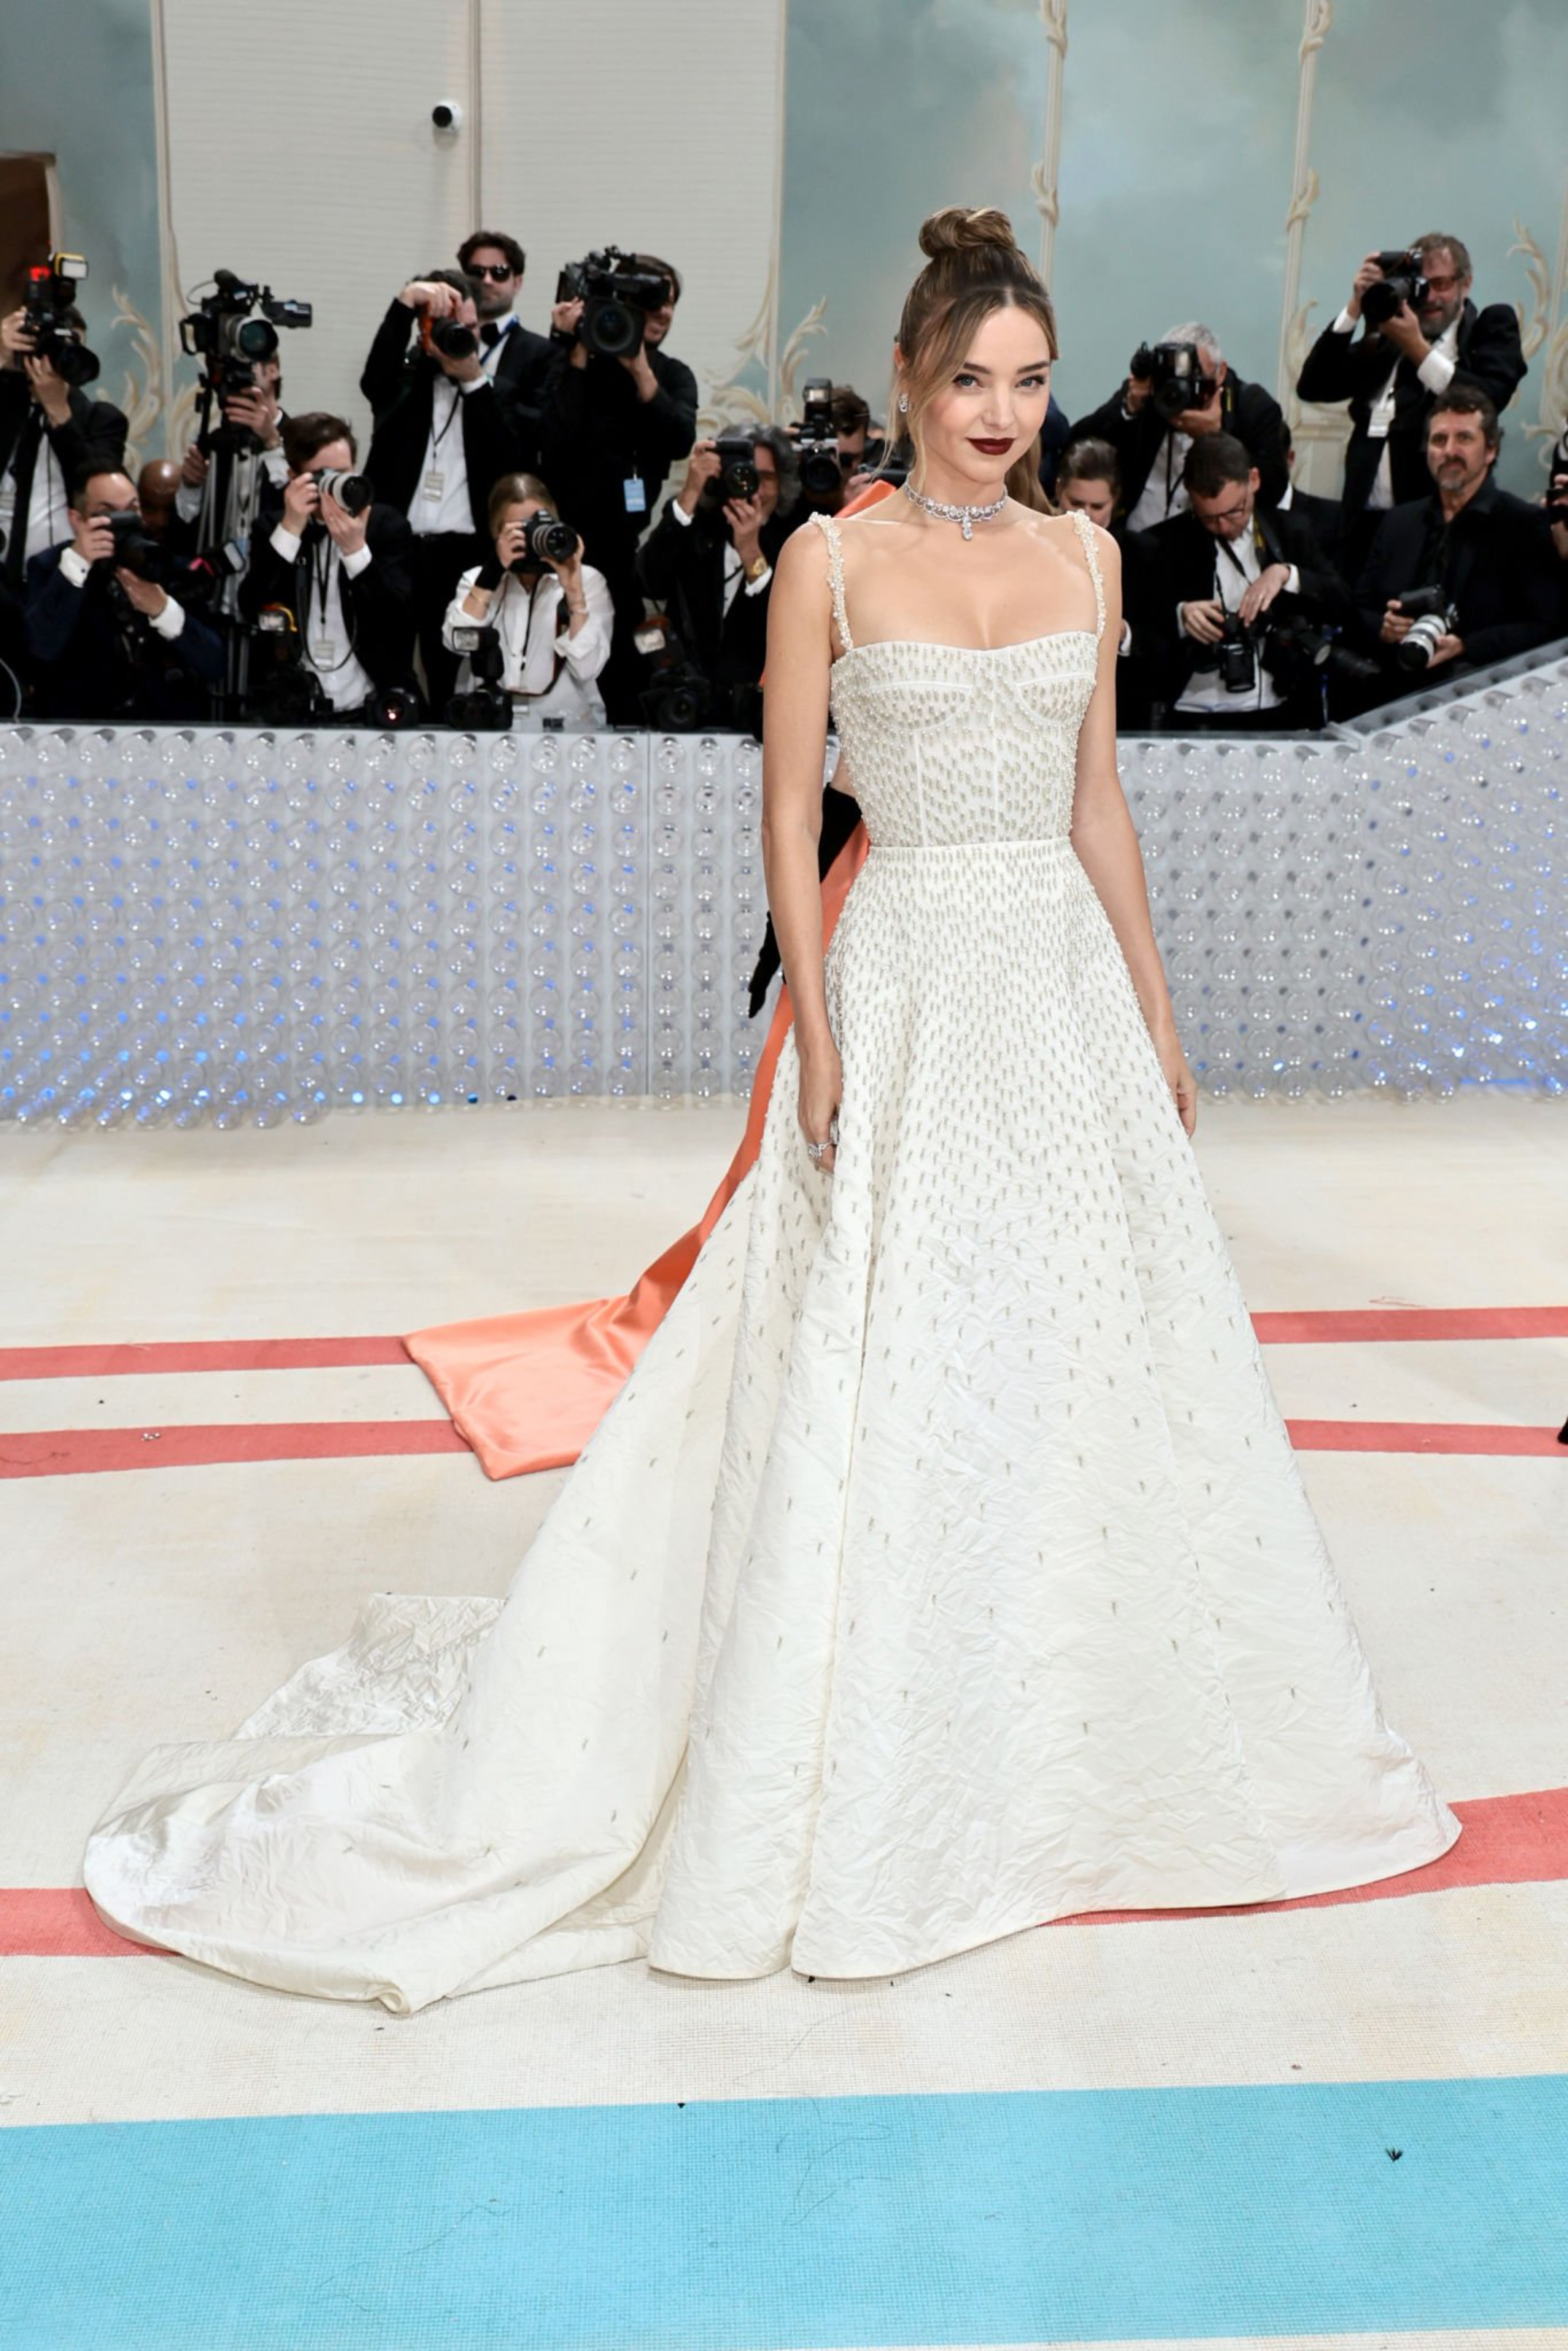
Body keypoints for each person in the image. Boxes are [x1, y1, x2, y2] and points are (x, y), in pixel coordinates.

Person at [83, 204, 1459, 2010]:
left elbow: (1097, 804)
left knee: (1077, 1340)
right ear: (911, 374)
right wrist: (814, 1027)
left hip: (1054, 983)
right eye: (972, 379)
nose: (1002, 412)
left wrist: (1156, 1005)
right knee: (884, 1353)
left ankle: (1061, 1712)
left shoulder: (1086, 556)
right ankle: (872, 1720)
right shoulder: (826, 558)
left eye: (1031, 381)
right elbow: (791, 811)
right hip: (901, 978)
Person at [1295, 233, 1528, 563]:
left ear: (1466, 283)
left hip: (1435, 529)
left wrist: (1417, 347)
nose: (1430, 296)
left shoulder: (1487, 329)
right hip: (1362, 526)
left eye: (1441, 284)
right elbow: (1313, 386)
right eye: (1421, 285)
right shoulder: (1389, 339)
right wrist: (1356, 306)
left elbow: (1485, 400)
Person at [539, 251, 698, 720]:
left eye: (670, 303)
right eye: (651, 303)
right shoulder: (573, 362)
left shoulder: (671, 374)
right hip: (557, 543)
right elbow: (549, 436)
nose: (663, 312)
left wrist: (640, 369)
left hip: (621, 551)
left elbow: (679, 440)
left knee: (623, 680)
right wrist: (578, 346)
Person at [360, 266, 529, 708]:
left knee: (451, 676)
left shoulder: (496, 392)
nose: (462, 336)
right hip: (396, 549)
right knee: (387, 668)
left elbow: (508, 462)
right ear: (424, 329)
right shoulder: (403, 382)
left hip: (462, 554)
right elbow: (373, 381)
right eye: (451, 326)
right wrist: (405, 304)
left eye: (470, 328)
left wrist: (472, 379)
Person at [1353, 385, 1563, 700]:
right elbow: (1359, 608)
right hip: (1391, 691)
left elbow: (1546, 625)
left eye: (1464, 438)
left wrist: (1466, 645)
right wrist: (1384, 628)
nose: (1449, 451)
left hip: (1483, 694)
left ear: (1490, 450)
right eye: (1439, 440)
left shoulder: (1524, 523)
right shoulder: (1398, 522)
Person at [1150, 431, 1355, 729]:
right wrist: (1181, 615)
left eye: (1235, 511)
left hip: (1281, 708)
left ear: (1254, 481)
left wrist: (1288, 575)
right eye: (1209, 517)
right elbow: (1136, 628)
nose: (1223, 526)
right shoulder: (1164, 543)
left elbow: (1344, 603)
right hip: (1192, 712)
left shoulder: (1291, 532)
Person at [239, 412, 416, 717]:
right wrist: (291, 529)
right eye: (322, 475)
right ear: (294, 477)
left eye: (344, 473)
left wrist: (356, 552)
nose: (336, 485)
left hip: (372, 705)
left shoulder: (386, 525)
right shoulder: (271, 528)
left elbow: (399, 618)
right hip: (292, 706)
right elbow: (251, 606)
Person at [23, 466, 224, 719]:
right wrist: (76, 566)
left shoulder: (164, 564)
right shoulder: (49, 567)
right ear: (77, 520)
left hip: (162, 724)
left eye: (131, 510)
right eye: (108, 513)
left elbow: (214, 664)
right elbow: (38, 652)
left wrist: (163, 610)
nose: (123, 523)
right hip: (81, 724)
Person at [634, 425, 803, 726]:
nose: (752, 487)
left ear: (782, 484)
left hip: (761, 714)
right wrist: (690, 494)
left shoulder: (798, 540)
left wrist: (751, 552)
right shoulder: (695, 526)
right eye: (742, 474)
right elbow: (648, 581)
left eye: (765, 478)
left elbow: (790, 630)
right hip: (687, 706)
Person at [1071, 321, 1289, 528]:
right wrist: (1129, 408)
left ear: (1221, 372)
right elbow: (1076, 444)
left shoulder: (1252, 406)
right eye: (1173, 379)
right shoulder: (1151, 390)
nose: (1181, 390)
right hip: (1136, 536)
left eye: (1195, 379)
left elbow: (1273, 488)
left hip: (1207, 539)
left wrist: (1215, 438)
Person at [441, 470, 613, 728]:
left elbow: (588, 668)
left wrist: (574, 593)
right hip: (489, 723)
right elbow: (456, 642)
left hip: (566, 726)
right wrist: (492, 575)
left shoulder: (588, 581)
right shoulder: (477, 579)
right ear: (497, 532)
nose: (532, 538)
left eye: (539, 527)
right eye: (520, 531)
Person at [0, 301, 128, 595]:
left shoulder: (103, 419)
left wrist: (59, 412)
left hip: (68, 582)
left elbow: (96, 490)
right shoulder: (5, 405)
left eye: (74, 348)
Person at [1054, 437, 1163, 726]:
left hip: (1123, 717)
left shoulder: (1144, 555)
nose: (1086, 515)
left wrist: (1124, 635)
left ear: (1115, 501)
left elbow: (1164, 648)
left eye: (1098, 505)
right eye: (1076, 503)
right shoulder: (1031, 549)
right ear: (1058, 490)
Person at [457, 229, 554, 461]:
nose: (487, 281)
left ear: (517, 282)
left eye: (499, 272)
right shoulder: (445, 340)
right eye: (477, 272)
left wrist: (483, 384)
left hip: (506, 470)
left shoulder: (543, 353)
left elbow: (541, 426)